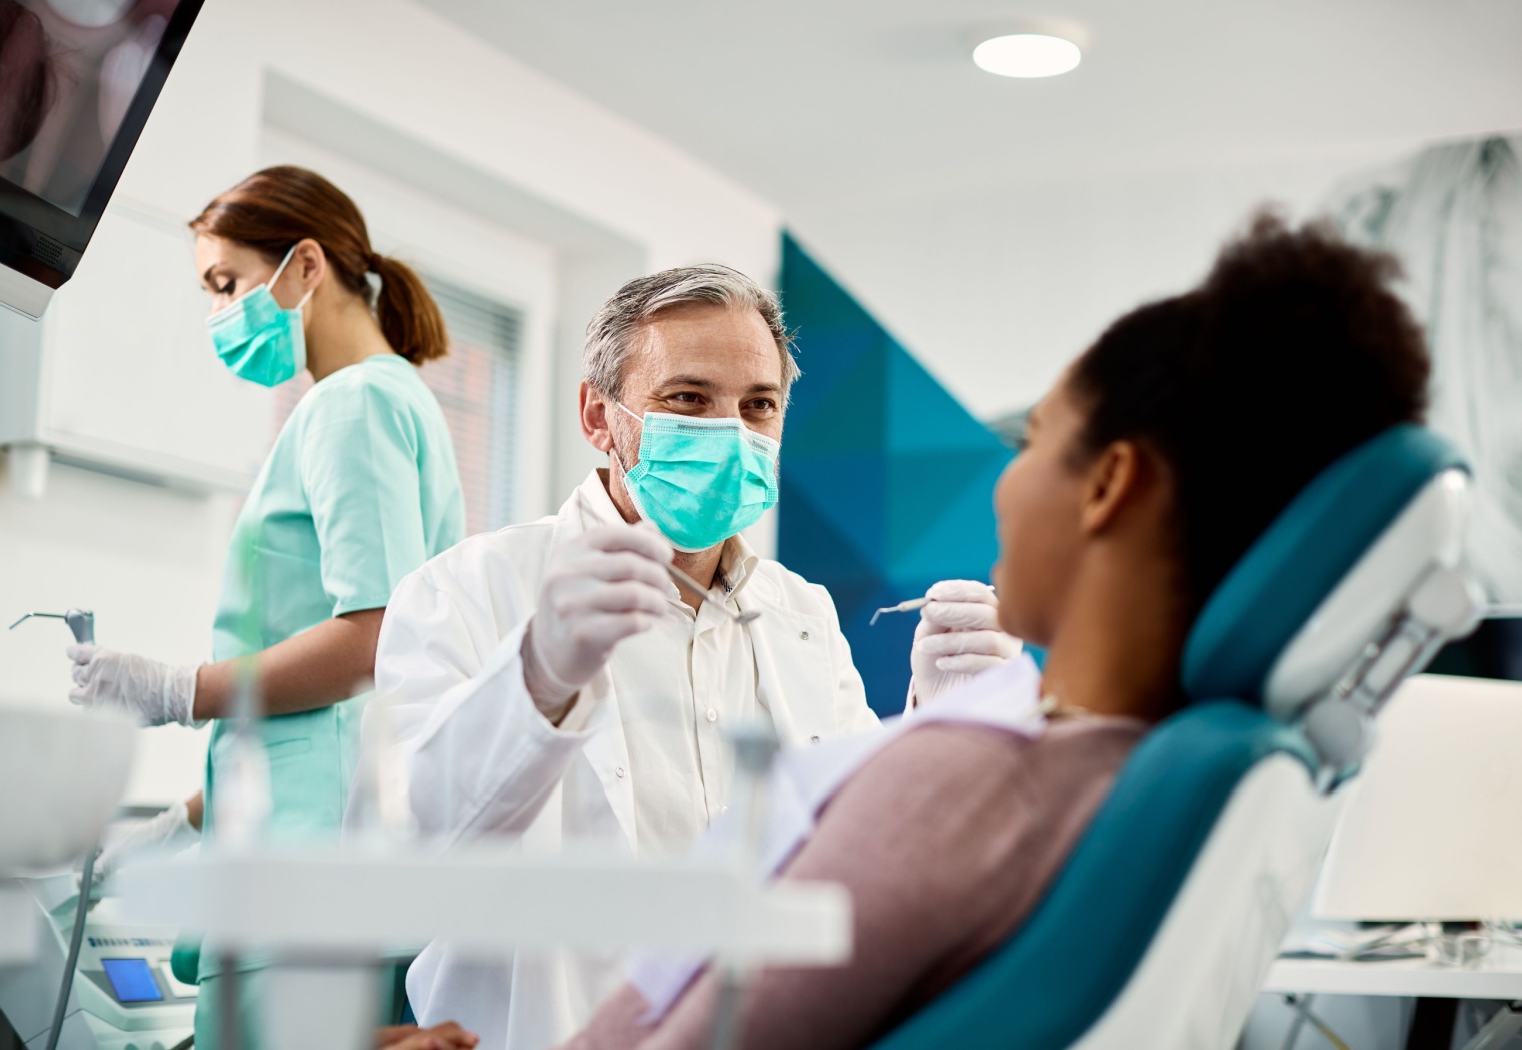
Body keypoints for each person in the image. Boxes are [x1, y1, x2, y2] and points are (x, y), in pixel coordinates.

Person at [556, 213, 1433, 1050]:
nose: (1004, 485)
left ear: (1109, 485)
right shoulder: (1159, 766)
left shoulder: (962, 781)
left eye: (1036, 440)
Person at [366, 264, 1022, 1050]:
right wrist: (536, 677)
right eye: (688, 398)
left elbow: (848, 860)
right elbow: (402, 858)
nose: (730, 432)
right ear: (598, 418)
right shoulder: (469, 588)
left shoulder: (802, 614)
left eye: (758, 406)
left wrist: (933, 724)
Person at [64, 166, 466, 1048]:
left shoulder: (351, 405)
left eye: (227, 284)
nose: (221, 314)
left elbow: (371, 641)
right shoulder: (401, 404)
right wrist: (186, 821)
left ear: (306, 265)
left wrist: (179, 690)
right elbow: (339, 711)